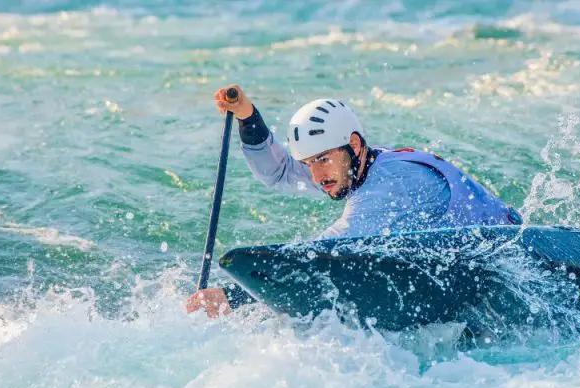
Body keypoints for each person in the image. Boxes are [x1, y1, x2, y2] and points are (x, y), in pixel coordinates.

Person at [185, 84, 522, 319]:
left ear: (355, 145)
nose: (316, 175)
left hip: (511, 269)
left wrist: (234, 296)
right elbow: (280, 172)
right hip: (467, 264)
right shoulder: (351, 168)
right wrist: (247, 116)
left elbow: (317, 257)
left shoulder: (390, 187)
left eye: (322, 160)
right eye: (309, 164)